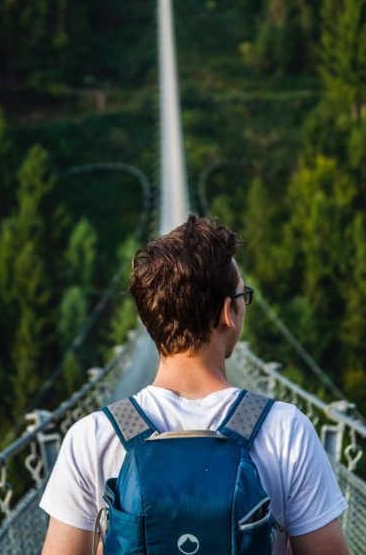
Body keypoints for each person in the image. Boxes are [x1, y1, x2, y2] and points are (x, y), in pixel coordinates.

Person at [40, 215, 349, 554]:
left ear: (149, 319)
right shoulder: (285, 430)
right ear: (227, 313)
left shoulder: (93, 436)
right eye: (242, 296)